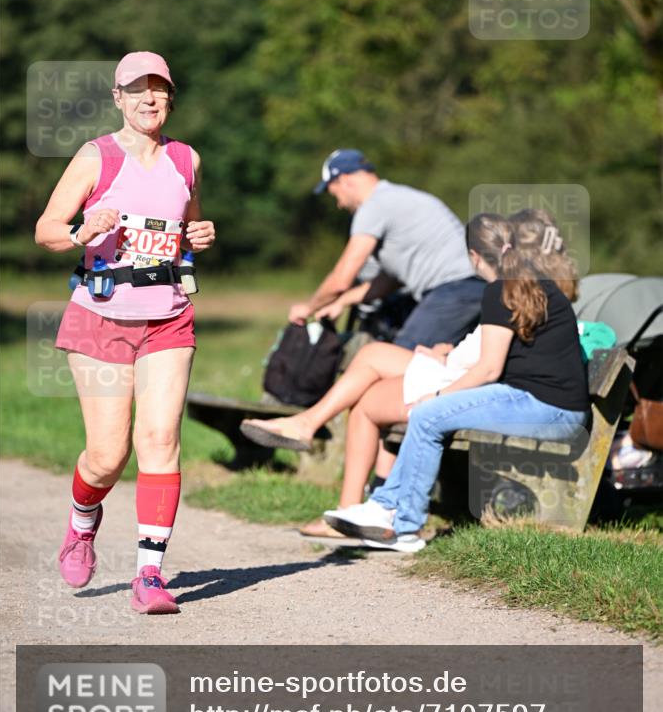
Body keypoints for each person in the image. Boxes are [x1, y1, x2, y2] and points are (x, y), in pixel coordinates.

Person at [242, 208, 581, 538]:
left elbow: (490, 367)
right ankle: (384, 505)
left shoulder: (504, 289)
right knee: (403, 394)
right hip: (537, 401)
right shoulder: (524, 285)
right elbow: (503, 354)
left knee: (425, 413)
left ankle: (403, 525)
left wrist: (437, 396)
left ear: (474, 256)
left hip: (543, 407)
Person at [35, 51, 215, 614]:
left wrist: (199, 236)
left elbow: (186, 228)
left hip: (168, 315)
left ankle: (150, 575)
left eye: (159, 88)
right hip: (102, 315)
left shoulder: (187, 159)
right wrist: (81, 229)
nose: (149, 98)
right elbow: (46, 229)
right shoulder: (97, 157)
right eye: (137, 89)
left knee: (159, 441)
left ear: (170, 96)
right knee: (107, 455)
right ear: (118, 97)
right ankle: (81, 525)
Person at [289, 149, 485, 350]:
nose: (339, 204)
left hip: (455, 289)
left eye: (334, 193)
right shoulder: (397, 196)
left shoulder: (374, 206)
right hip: (474, 285)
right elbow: (390, 280)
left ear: (345, 180)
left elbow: (341, 278)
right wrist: (342, 301)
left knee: (398, 359)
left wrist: (309, 307)